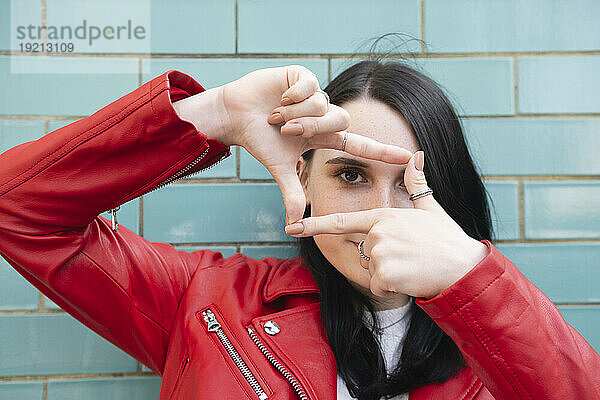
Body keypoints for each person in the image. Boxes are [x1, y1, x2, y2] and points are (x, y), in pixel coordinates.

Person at [0, 61, 598, 400]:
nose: (385, 213)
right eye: (351, 174)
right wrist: (209, 117)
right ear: (303, 180)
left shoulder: (509, 349)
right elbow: (19, 210)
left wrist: (474, 281)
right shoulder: (205, 300)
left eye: (416, 180)